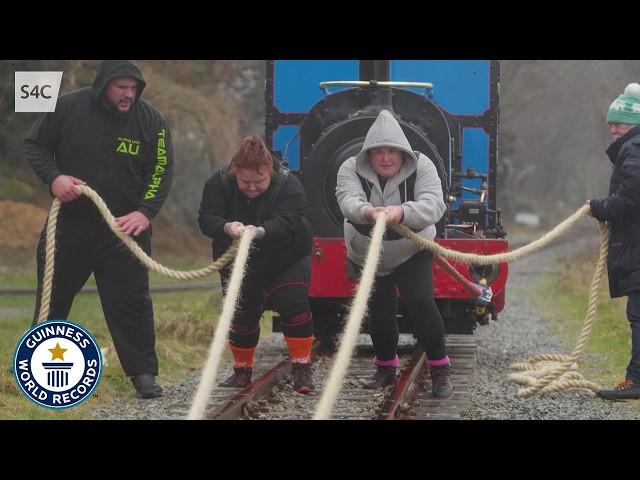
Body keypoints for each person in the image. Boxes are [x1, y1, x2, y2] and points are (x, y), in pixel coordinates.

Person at [24, 60, 174, 399]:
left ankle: (143, 375)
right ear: (104, 85)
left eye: (134, 88)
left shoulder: (152, 121)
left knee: (132, 304)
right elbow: (34, 146)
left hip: (125, 232)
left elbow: (161, 169)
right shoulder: (66, 107)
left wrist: (145, 212)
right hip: (70, 228)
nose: (128, 94)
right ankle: (32, 367)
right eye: (122, 87)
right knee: (52, 301)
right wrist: (54, 178)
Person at [335, 109, 453, 398]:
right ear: (368, 154)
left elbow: (434, 205)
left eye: (392, 151)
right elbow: (346, 200)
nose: (386, 158)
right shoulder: (349, 168)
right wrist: (367, 211)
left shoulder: (423, 166)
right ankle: (385, 368)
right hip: (366, 252)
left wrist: (401, 212)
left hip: (412, 249)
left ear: (403, 152)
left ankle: (440, 370)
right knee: (379, 311)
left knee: (421, 302)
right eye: (378, 152)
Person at [198, 135, 315, 393]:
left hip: (286, 255)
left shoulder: (289, 184)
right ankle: (241, 370)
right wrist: (226, 226)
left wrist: (260, 231)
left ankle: (302, 368)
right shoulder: (218, 183)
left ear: (269, 171)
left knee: (293, 305)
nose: (251, 187)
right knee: (241, 313)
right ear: (235, 172)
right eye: (245, 182)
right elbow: (207, 218)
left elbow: (289, 220)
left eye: (258, 182)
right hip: (238, 256)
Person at [588, 82, 640, 401]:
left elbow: (630, 196)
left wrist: (599, 207)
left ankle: (635, 381)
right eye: (610, 121)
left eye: (618, 121)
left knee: (639, 315)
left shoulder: (634, 148)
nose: (612, 127)